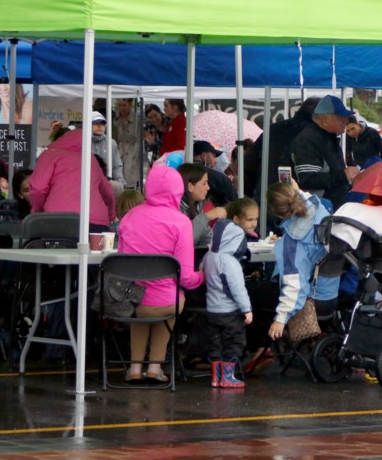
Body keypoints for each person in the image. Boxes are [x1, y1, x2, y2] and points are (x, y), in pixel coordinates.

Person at [117, 165, 205, 383]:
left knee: (141, 308)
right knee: (171, 302)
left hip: (130, 300)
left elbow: (120, 265)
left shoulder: (130, 216)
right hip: (167, 302)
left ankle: (135, 368)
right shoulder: (180, 222)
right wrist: (201, 276)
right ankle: (155, 367)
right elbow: (185, 277)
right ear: (178, 190)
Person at [264, 180, 340, 341]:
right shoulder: (320, 211)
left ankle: (260, 350)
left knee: (252, 297)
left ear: (275, 213)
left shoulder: (292, 242)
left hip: (311, 303)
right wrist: (297, 191)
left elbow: (296, 286)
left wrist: (281, 318)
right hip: (331, 295)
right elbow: (308, 201)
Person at [202, 198, 258, 389]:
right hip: (229, 311)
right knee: (234, 342)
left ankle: (216, 377)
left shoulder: (209, 257)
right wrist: (247, 309)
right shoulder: (230, 262)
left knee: (215, 343)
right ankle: (227, 376)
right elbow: (237, 289)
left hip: (212, 309)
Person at [30, 128, 115, 231]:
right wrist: (111, 215)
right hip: (97, 222)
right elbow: (108, 192)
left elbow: (38, 188)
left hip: (58, 220)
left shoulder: (49, 155)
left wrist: (37, 211)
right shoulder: (90, 159)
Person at [291, 95, 359, 210]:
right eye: (341, 117)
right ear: (326, 120)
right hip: (320, 212)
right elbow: (308, 180)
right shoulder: (308, 140)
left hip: (332, 207)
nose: (346, 120)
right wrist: (344, 175)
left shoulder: (328, 137)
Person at [244, 97, 320, 199]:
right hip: (298, 199)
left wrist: (254, 190)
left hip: (267, 195)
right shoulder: (313, 134)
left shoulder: (273, 129)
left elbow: (249, 163)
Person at [176, 162, 227, 249]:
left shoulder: (197, 205)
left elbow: (206, 236)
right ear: (190, 186)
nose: (208, 187)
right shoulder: (176, 209)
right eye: (204, 183)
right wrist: (206, 216)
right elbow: (185, 240)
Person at [193, 140, 239, 207]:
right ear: (203, 156)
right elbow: (234, 201)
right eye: (213, 156)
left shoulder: (182, 170)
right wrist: (235, 187)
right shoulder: (218, 176)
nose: (216, 161)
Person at [90, 110, 126, 194]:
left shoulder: (111, 143)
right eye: (96, 123)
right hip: (88, 184)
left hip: (107, 184)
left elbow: (117, 165)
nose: (100, 126)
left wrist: (121, 183)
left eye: (102, 123)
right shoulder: (82, 142)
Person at [113, 98, 142, 190]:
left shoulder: (138, 120)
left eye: (124, 105)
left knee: (131, 185)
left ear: (130, 104)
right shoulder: (114, 119)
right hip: (118, 154)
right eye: (120, 105)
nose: (122, 108)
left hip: (133, 157)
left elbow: (139, 141)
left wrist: (135, 155)